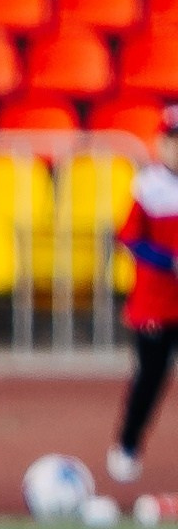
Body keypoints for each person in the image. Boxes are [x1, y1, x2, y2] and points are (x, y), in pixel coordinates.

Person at [108, 105, 178, 484]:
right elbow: (130, 238)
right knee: (150, 377)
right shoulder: (149, 187)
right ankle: (128, 443)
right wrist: (169, 261)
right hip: (155, 302)